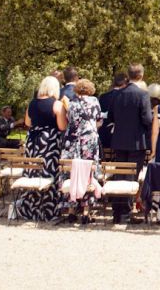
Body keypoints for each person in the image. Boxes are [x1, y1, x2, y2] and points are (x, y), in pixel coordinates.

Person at [106, 66, 153, 223]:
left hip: (119, 140)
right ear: (141, 75)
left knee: (120, 175)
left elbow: (111, 117)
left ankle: (117, 212)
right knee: (131, 176)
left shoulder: (117, 95)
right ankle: (125, 213)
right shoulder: (143, 95)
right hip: (136, 141)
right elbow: (147, 119)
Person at [17, 76, 67, 221]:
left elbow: (27, 122)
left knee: (32, 171)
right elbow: (62, 126)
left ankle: (29, 208)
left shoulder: (32, 104)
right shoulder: (57, 105)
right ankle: (47, 210)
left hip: (33, 140)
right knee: (48, 172)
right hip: (50, 141)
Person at [60, 78, 102, 223]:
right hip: (89, 140)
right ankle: (86, 211)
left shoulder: (71, 103)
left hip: (71, 141)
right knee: (88, 173)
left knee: (72, 173)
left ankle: (71, 209)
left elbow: (69, 120)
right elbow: (98, 119)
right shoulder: (94, 101)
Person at [98, 72, 128, 151]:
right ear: (125, 83)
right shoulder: (124, 97)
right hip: (120, 137)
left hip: (104, 135)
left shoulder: (103, 97)